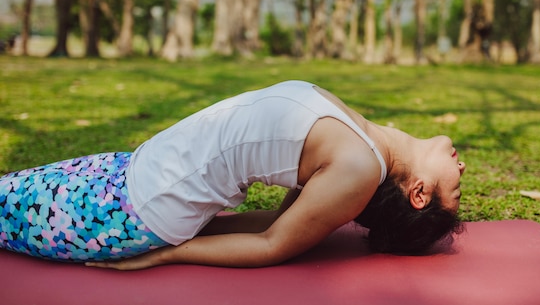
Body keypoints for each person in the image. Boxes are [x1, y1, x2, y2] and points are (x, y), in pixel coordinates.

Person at [0, 80, 465, 269]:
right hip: (125, 172)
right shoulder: (364, 144)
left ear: (419, 194)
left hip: (125, 209)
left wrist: (166, 256)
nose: (462, 167)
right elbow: (274, 222)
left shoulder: (359, 169)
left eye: (458, 185)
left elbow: (273, 243)